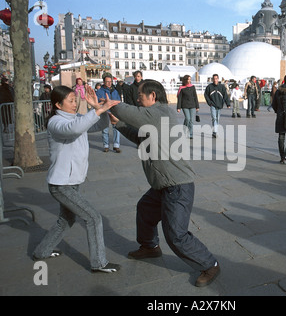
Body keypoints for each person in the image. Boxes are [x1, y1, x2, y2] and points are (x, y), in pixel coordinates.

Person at [109, 80, 220, 287]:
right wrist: (119, 124)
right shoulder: (153, 120)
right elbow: (139, 136)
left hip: (178, 185)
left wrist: (108, 103)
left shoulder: (161, 113)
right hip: (162, 185)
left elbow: (131, 113)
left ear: (152, 96)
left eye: (140, 96)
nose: (138, 100)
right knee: (145, 209)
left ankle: (210, 264)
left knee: (176, 234)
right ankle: (150, 246)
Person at [32, 85, 120, 273]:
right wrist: (96, 110)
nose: (75, 103)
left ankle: (42, 251)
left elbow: (99, 125)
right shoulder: (55, 122)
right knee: (93, 218)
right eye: (71, 101)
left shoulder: (77, 118)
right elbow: (73, 129)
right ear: (57, 104)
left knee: (65, 220)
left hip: (72, 181)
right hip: (61, 184)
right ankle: (99, 262)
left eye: (75, 99)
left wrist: (99, 109)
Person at [96, 73, 121, 153]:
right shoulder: (100, 91)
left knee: (116, 129)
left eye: (110, 81)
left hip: (114, 112)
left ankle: (116, 145)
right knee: (105, 129)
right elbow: (97, 103)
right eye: (107, 81)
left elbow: (118, 101)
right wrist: (102, 103)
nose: (109, 83)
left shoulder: (115, 91)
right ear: (103, 82)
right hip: (104, 112)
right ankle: (106, 145)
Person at [204, 74, 230, 138]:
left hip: (219, 105)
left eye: (216, 78)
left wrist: (228, 104)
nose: (215, 80)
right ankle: (215, 132)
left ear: (218, 79)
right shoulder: (209, 87)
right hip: (212, 105)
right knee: (214, 118)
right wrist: (209, 103)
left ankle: (214, 131)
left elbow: (225, 95)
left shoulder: (222, 87)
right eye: (214, 79)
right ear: (212, 79)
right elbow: (206, 95)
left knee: (217, 119)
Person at [177, 75, 199, 139]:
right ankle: (184, 130)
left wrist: (197, 106)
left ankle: (190, 134)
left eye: (190, 79)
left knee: (191, 120)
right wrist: (178, 107)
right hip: (185, 106)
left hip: (193, 105)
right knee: (187, 118)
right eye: (188, 79)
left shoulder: (192, 87)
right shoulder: (181, 88)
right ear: (185, 80)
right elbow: (180, 98)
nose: (189, 81)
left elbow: (195, 97)